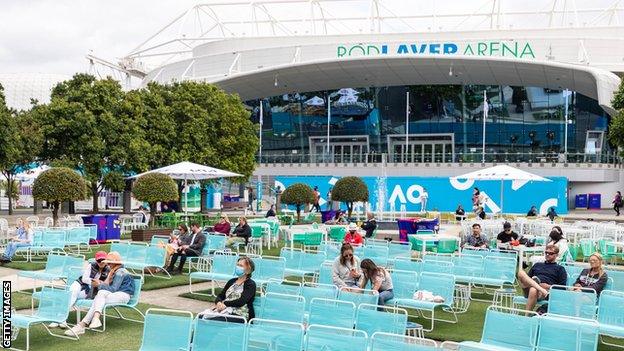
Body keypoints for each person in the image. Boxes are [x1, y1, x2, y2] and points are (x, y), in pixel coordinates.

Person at [66, 252, 136, 335]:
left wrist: (99, 284)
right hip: (115, 295)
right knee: (100, 296)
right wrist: (107, 278)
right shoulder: (114, 270)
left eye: (109, 263)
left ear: (115, 263)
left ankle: (82, 325)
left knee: (98, 298)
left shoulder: (120, 272)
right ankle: (92, 320)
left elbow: (113, 289)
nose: (108, 264)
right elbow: (107, 286)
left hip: (123, 295)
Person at [50, 251, 110, 329]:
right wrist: (94, 282)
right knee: (72, 294)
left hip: (90, 291)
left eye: (103, 260)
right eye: (99, 260)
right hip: (80, 283)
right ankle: (61, 319)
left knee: (71, 297)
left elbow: (106, 284)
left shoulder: (108, 269)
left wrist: (98, 284)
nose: (101, 262)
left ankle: (59, 318)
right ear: (96, 260)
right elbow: (84, 279)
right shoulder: (91, 266)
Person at [199, 257, 256, 323]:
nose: (238, 267)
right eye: (237, 265)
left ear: (248, 270)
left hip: (240, 315)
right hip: (225, 310)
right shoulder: (232, 281)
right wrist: (218, 302)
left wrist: (225, 303)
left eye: (241, 266)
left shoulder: (251, 284)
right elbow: (221, 296)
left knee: (213, 321)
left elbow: (241, 301)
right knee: (200, 317)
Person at [517, 244, 567, 313]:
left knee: (533, 290)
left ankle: (527, 316)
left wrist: (548, 286)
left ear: (556, 255)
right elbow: (527, 278)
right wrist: (535, 284)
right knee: (521, 272)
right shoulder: (537, 265)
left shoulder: (560, 269)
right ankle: (538, 286)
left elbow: (562, 288)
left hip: (542, 292)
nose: (547, 254)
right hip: (529, 288)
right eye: (546, 253)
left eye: (550, 253)